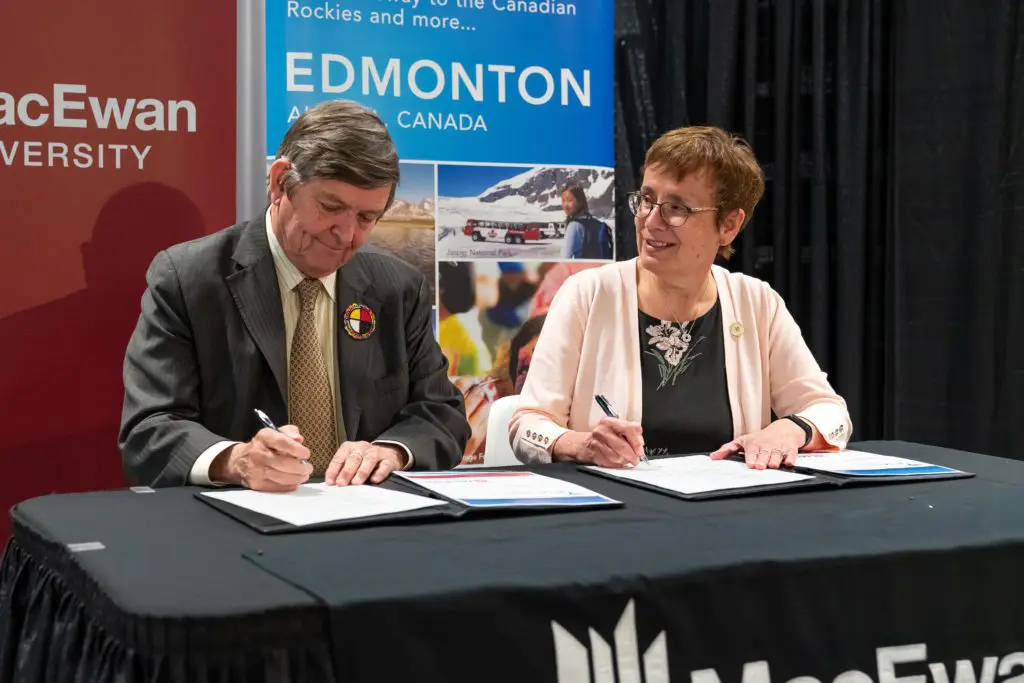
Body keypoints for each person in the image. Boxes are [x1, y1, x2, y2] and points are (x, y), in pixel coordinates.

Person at [120, 100, 470, 491]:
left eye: (367, 219)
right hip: (238, 529)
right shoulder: (189, 278)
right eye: (330, 207)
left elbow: (442, 412)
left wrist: (391, 450)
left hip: (370, 521)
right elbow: (149, 428)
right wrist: (234, 461)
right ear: (279, 182)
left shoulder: (398, 287)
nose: (346, 235)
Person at [509, 125, 852, 469]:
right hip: (618, 513)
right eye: (646, 199)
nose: (650, 221)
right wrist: (579, 444)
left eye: (676, 208)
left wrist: (791, 430)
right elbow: (527, 425)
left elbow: (831, 413)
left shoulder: (757, 303)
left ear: (729, 225)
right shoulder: (587, 294)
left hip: (727, 510)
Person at [560, 184, 613, 260]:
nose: (565, 205)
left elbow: (564, 258)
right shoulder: (597, 223)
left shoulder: (574, 226)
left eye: (569, 200)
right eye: (563, 200)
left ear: (580, 202)